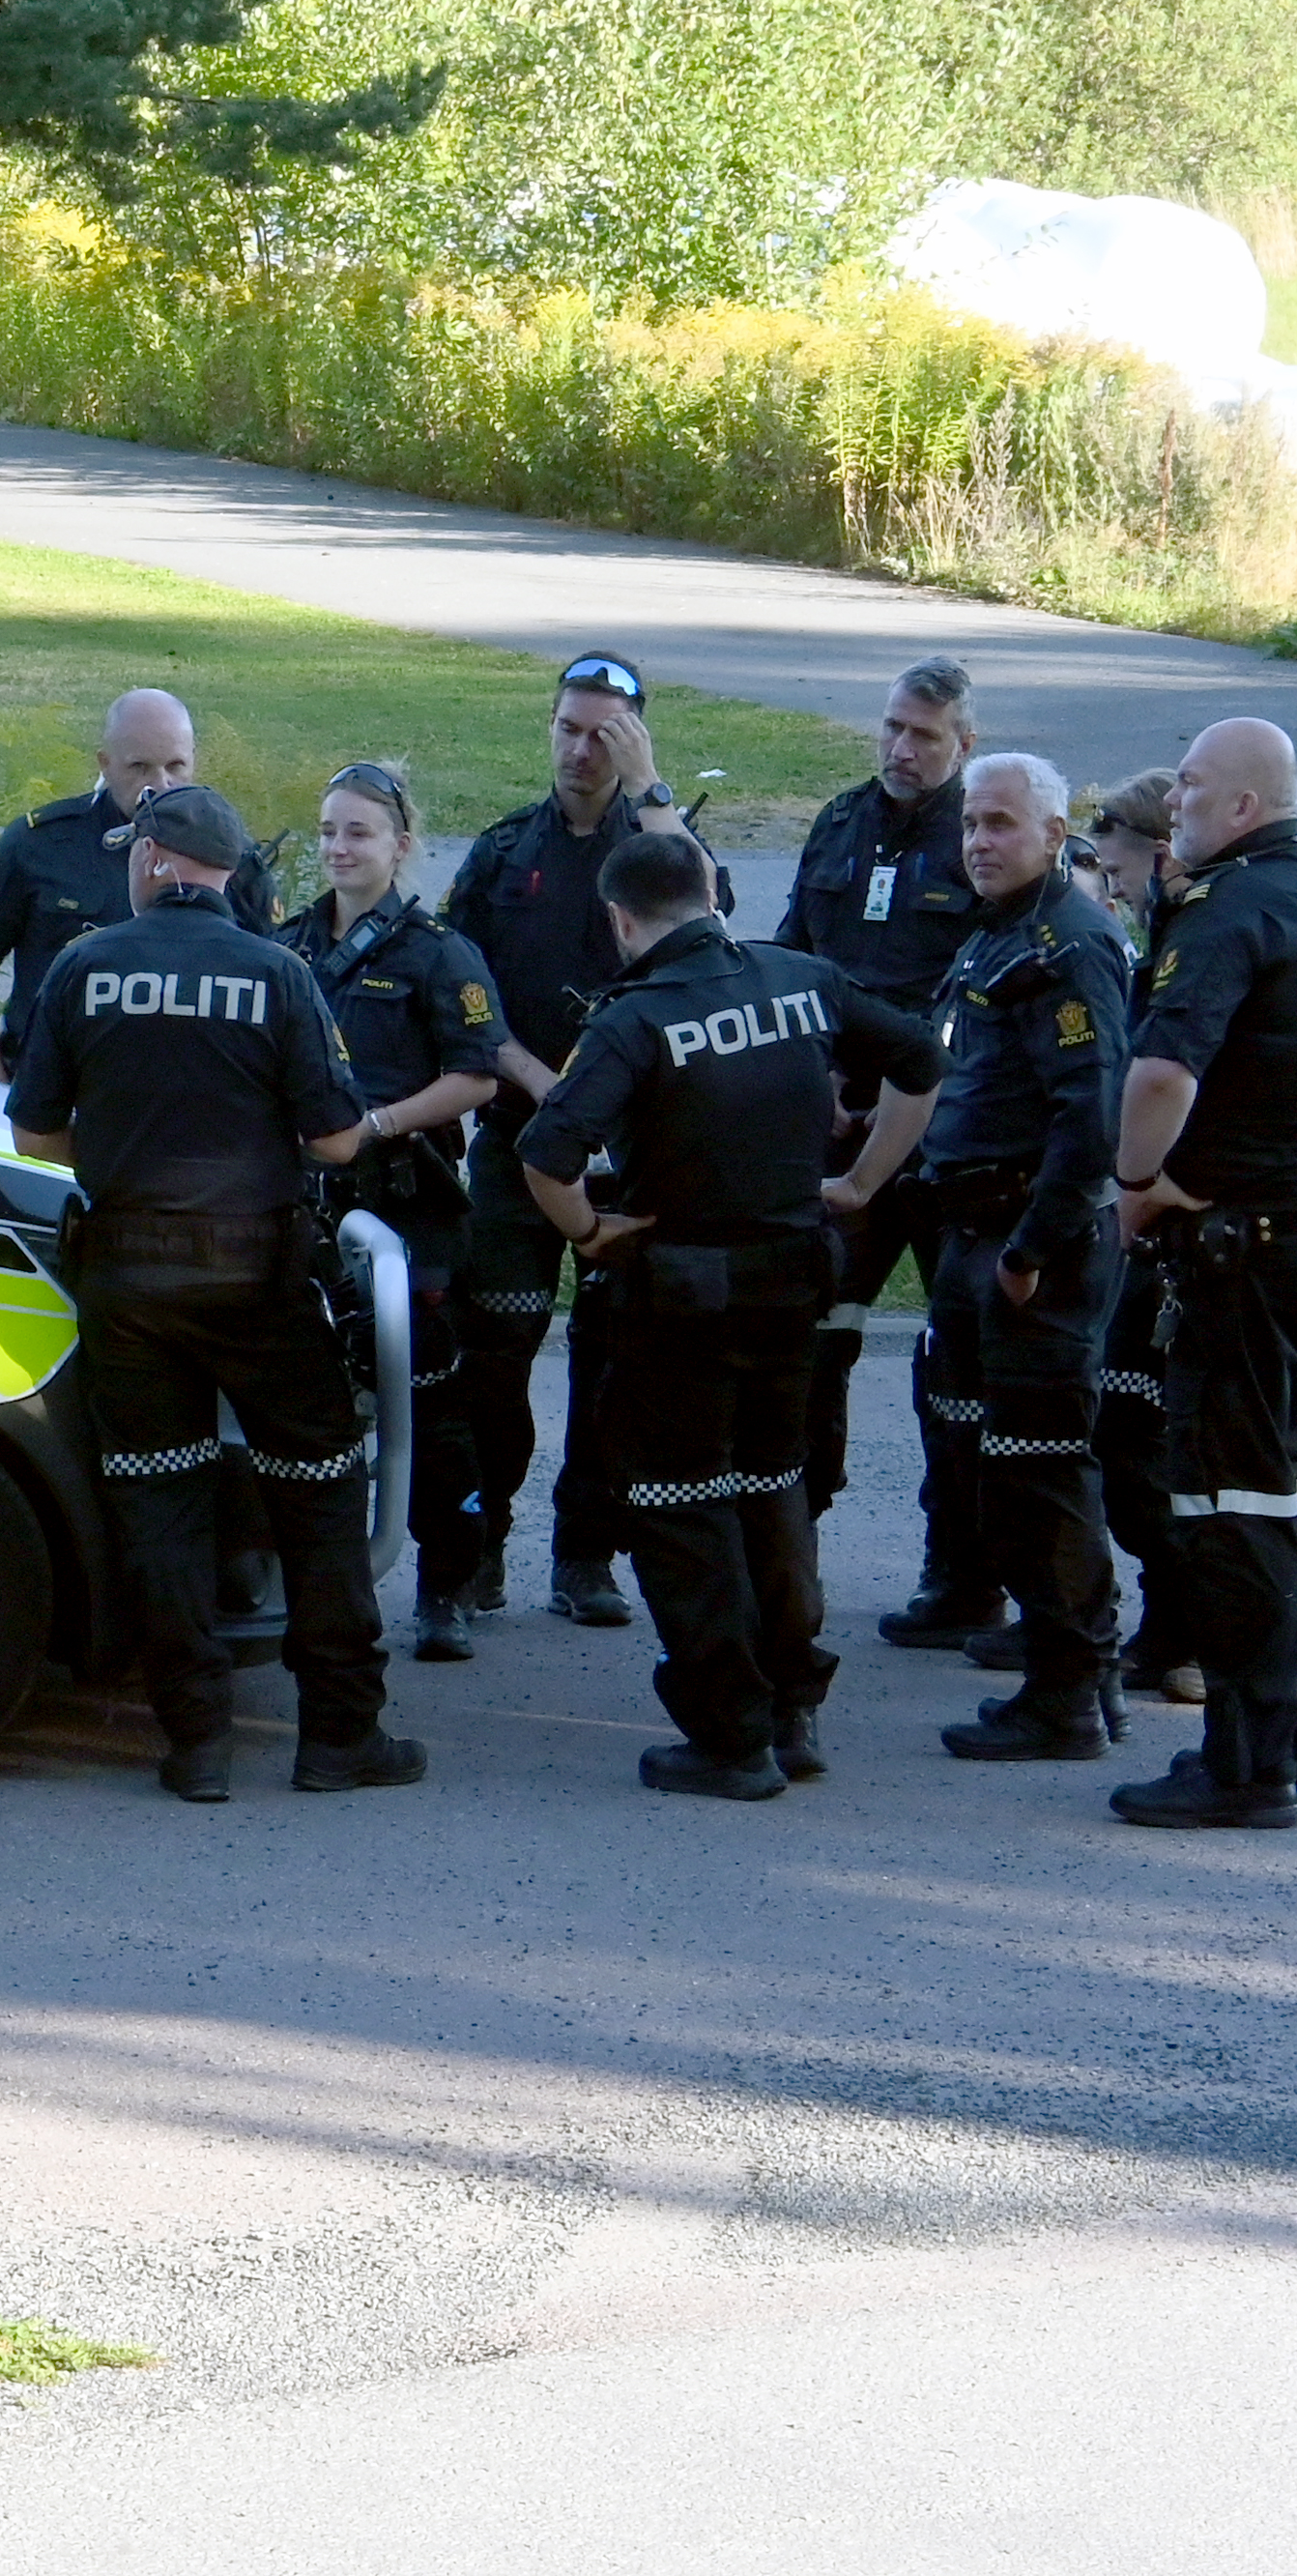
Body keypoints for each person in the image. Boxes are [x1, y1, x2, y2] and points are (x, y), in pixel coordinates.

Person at [516, 831, 937, 1801]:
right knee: (771, 1488)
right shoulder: (801, 978)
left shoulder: (633, 1018)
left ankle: (728, 1735)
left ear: (620, 919)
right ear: (712, 894)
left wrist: (590, 1231)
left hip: (677, 1296)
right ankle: (791, 1707)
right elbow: (919, 1061)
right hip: (793, 1279)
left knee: (679, 1507)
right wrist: (861, 1181)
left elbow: (544, 1153)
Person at [8, 784, 407, 1803]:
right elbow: (330, 1136)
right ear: (225, 876)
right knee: (316, 1494)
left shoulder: (83, 967)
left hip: (126, 1278)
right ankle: (339, 1737)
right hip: (258, 1275)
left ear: (150, 861)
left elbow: (33, 1136)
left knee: (158, 1499)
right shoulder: (276, 973)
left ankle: (193, 1745)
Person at [1107, 718, 1297, 1830]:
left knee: (1227, 1498)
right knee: (1284, 1483)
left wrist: (1135, 1180)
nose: (1171, 800)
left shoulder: (1228, 909)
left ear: (1239, 808)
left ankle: (1243, 1760)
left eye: (1187, 786)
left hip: (1240, 1242)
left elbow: (1161, 1072)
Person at [440, 654, 698, 1631]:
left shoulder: (658, 844)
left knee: (613, 1362)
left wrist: (652, 789)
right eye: (566, 727)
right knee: (492, 1357)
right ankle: (482, 1542)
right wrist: (548, 1092)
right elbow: (460, 994)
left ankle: (585, 1550)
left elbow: (705, 932)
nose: (579, 749)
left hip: (633, 1149)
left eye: (603, 733)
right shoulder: (505, 851)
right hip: (518, 1141)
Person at [899, 753, 1140, 1764]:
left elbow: (1089, 1121)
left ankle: (1068, 1695)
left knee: (1042, 1474)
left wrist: (1027, 1253)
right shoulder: (998, 934)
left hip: (1029, 1246)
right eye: (970, 825)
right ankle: (1070, 1670)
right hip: (976, 1231)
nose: (979, 841)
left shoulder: (1069, 946)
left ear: (1053, 834)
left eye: (1001, 823)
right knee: (1013, 1471)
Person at [778, 658, 989, 1651]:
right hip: (834, 1126)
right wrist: (810, 1066)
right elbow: (787, 953)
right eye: (893, 729)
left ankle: (962, 1578)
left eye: (926, 736)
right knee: (811, 1340)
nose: (903, 750)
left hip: (941, 1141)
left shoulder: (985, 837)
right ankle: (788, 1559)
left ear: (964, 745)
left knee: (957, 1363)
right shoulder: (837, 821)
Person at [282, 761, 504, 1661]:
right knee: (318, 1405)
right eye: (330, 831)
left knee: (433, 1408)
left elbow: (476, 1075)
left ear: (401, 847)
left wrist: (376, 1125)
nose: (340, 847)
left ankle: (446, 1586)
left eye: (360, 833)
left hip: (410, 1210)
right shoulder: (288, 945)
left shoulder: (438, 954)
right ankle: (323, 1586)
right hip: (312, 1210)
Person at [0, 689, 277, 1080]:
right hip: (55, 1096)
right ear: (106, 763)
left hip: (186, 1101)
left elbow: (282, 985)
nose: (160, 784)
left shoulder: (231, 855)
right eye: (140, 767)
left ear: (193, 760)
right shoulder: (41, 844)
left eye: (175, 766)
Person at [1077, 771, 1200, 1707]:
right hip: (1137, 1227)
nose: (1105, 882)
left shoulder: (1192, 942)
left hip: (1177, 1221)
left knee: (1157, 1440)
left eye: (1111, 864)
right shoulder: (1148, 941)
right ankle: (1168, 1618)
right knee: (1124, 1438)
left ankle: (1186, 1627)